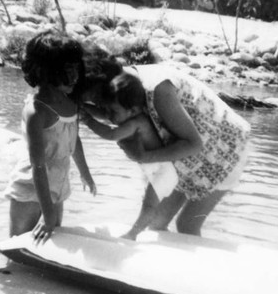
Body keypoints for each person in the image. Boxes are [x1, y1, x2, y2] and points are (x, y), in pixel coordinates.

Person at [82, 63, 251, 238]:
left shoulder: (156, 89)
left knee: (186, 224)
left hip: (224, 150)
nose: (103, 109)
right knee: (156, 222)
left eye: (97, 100)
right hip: (185, 159)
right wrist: (81, 108)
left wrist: (144, 157)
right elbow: (114, 114)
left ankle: (199, 263)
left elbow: (194, 144)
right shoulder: (127, 87)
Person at [5, 32, 96, 242]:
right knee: (18, 244)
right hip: (31, 188)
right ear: (45, 72)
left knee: (51, 243)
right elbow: (37, 167)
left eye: (76, 68)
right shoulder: (37, 111)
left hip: (57, 187)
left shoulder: (70, 102)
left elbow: (75, 140)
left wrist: (85, 173)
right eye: (67, 70)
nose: (75, 76)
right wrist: (48, 215)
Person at [80, 71, 179, 238]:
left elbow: (111, 135)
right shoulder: (129, 115)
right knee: (149, 205)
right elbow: (103, 114)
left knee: (149, 206)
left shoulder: (137, 122)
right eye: (107, 110)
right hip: (156, 169)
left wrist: (88, 120)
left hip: (163, 172)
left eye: (113, 111)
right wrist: (82, 106)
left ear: (133, 110)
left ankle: (132, 234)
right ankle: (155, 232)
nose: (109, 115)